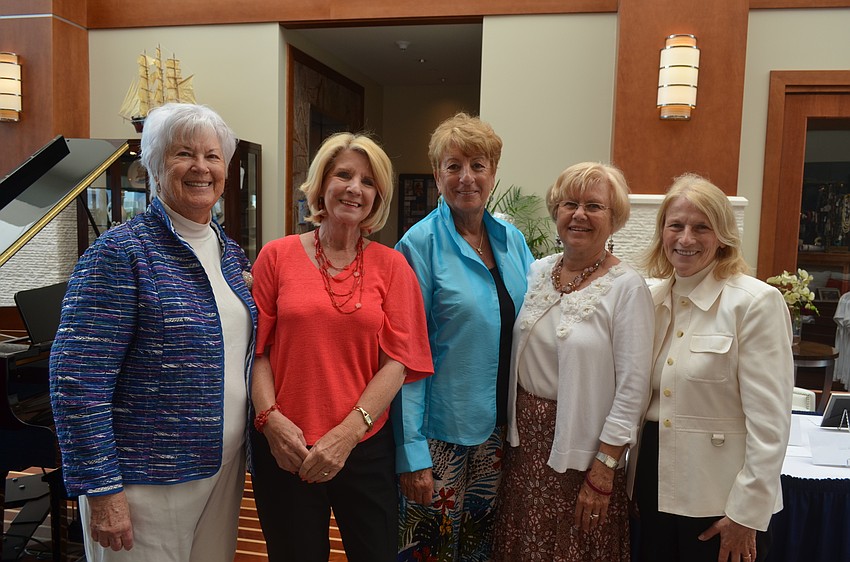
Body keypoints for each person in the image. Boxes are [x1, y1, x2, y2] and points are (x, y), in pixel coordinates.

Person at [49, 102, 257, 561]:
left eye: (213, 155)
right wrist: (102, 489)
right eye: (184, 153)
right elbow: (76, 380)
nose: (201, 167)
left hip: (221, 469)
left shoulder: (230, 253)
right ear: (154, 167)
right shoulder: (120, 253)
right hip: (144, 481)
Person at [249, 132, 433, 562]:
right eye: (343, 175)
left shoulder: (394, 266)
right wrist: (271, 422)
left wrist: (348, 435)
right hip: (284, 448)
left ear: (377, 197)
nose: (355, 188)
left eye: (368, 181)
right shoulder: (275, 257)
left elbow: (399, 362)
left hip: (364, 447)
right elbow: (256, 351)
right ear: (320, 184)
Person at [493, 162, 654, 561]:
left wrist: (603, 469)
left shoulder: (627, 288)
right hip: (524, 448)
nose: (579, 214)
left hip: (584, 452)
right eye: (570, 203)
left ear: (614, 220)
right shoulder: (537, 271)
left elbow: (633, 388)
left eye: (594, 206)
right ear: (556, 211)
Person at [393, 112, 534, 561]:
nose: (466, 177)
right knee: (430, 550)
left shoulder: (512, 242)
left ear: (494, 172)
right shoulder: (418, 246)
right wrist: (411, 450)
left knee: (478, 547)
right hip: (440, 434)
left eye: (478, 165)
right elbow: (405, 353)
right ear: (437, 175)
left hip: (497, 429)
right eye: (453, 166)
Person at [634, 173, 793, 562]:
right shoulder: (649, 300)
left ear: (722, 235)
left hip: (719, 500)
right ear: (662, 233)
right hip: (649, 487)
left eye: (701, 227)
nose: (686, 239)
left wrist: (747, 513)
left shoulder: (754, 303)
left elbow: (771, 424)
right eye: (676, 226)